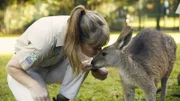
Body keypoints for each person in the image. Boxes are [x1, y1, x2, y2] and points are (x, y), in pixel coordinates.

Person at [6, 5, 110, 101]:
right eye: (95, 47)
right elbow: (13, 67)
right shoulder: (41, 45)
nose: (99, 51)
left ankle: (62, 99)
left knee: (85, 62)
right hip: (28, 71)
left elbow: (103, 74)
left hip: (52, 65)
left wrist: (95, 67)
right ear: (78, 40)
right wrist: (34, 86)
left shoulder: (77, 27)